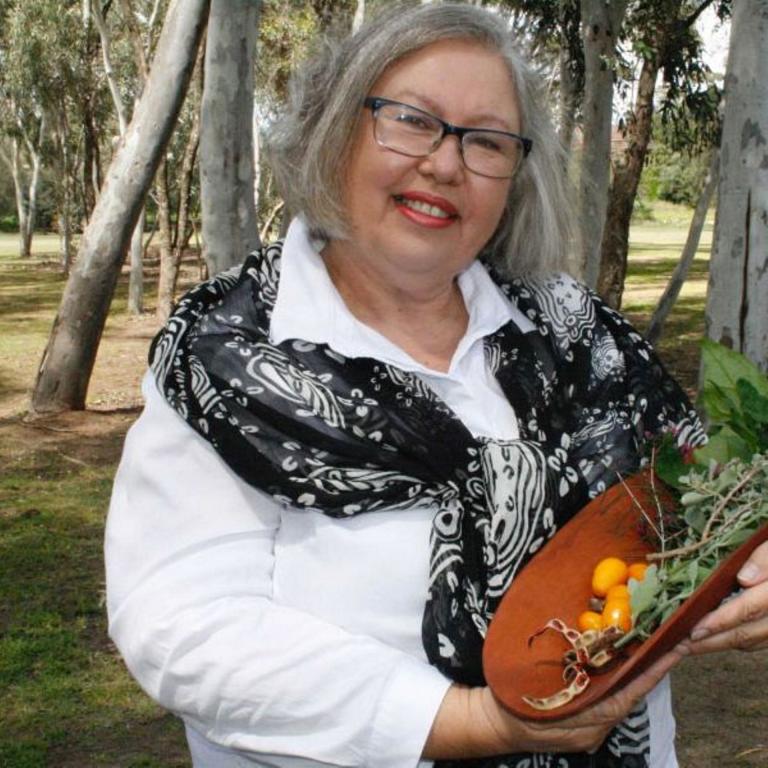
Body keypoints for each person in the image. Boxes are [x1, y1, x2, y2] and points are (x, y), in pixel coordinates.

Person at [105, 4, 768, 768]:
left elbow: (712, 487)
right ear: (335, 128)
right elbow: (185, 628)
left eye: (486, 140)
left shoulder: (577, 333)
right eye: (412, 121)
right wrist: (469, 722)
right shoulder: (224, 358)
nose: (446, 164)